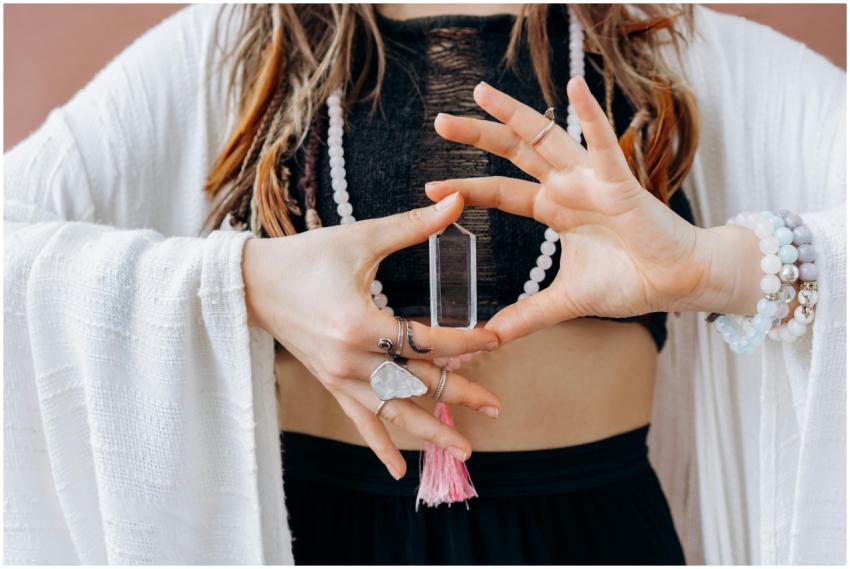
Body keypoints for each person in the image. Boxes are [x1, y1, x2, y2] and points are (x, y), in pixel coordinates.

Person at [4, 3, 844, 565]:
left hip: (591, 529)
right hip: (321, 532)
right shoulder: (245, 43)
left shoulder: (661, 39)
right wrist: (246, 283)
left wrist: (721, 269)